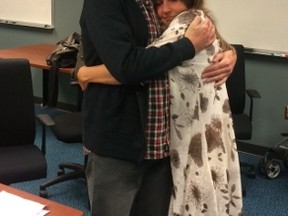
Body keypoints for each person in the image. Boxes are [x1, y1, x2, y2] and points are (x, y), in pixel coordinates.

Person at [79, 0, 237, 215]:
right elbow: (126, 65)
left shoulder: (153, 5)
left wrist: (230, 53)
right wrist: (189, 46)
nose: (164, 8)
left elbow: (197, 42)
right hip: (118, 142)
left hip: (161, 143)